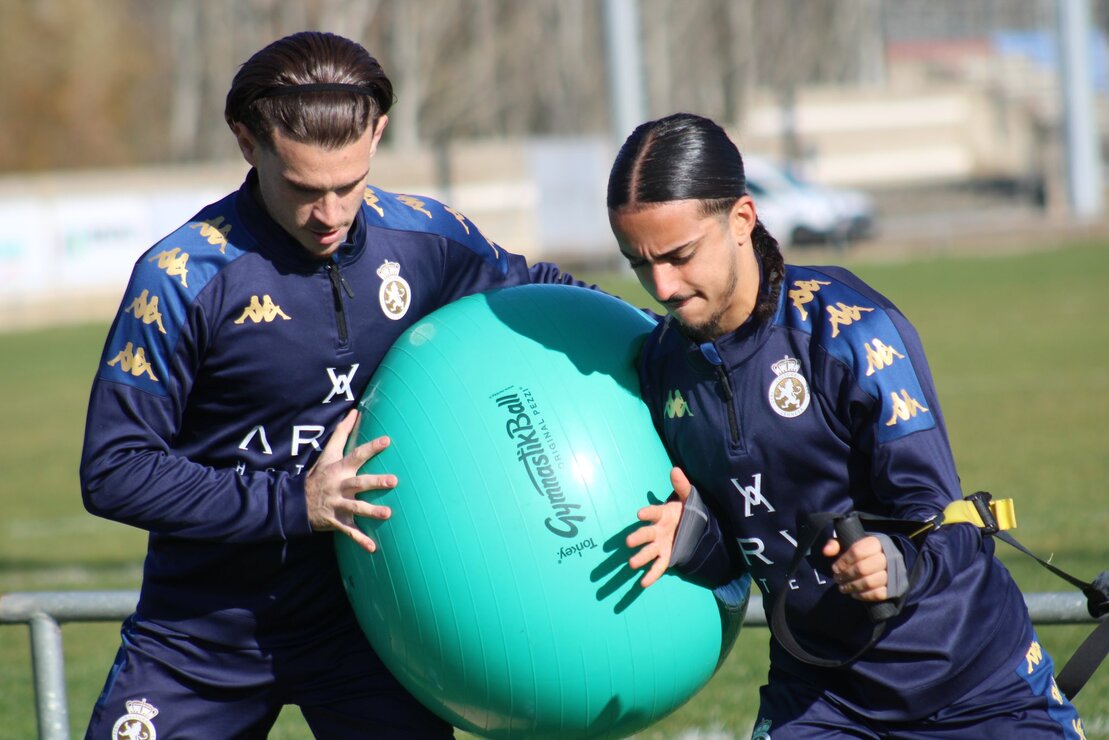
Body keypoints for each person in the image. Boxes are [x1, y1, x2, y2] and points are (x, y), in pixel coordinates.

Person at [79, 31, 587, 739]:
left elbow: (562, 310)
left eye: (348, 186)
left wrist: (699, 339)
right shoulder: (180, 278)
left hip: (378, 630)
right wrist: (295, 502)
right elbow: (115, 470)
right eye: (303, 189)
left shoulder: (431, 242)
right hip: (200, 637)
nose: (330, 214)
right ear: (246, 142)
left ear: (377, 133)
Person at [612, 113, 1086, 739]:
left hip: (971, 680)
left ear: (741, 221)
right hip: (820, 697)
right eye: (640, 263)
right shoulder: (661, 367)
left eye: (679, 256)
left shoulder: (849, 330)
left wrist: (893, 559)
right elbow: (751, 536)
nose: (662, 286)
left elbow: (939, 514)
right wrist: (696, 537)